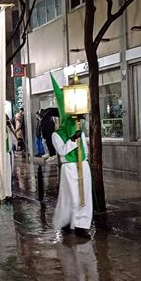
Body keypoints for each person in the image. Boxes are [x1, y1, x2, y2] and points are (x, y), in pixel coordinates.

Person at [51, 76, 92, 238]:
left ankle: (82, 225)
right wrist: (72, 140)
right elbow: (62, 151)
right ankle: (68, 221)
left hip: (82, 165)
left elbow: (85, 147)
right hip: (69, 167)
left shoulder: (79, 128)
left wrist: (84, 158)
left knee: (85, 195)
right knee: (72, 196)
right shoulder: (57, 134)